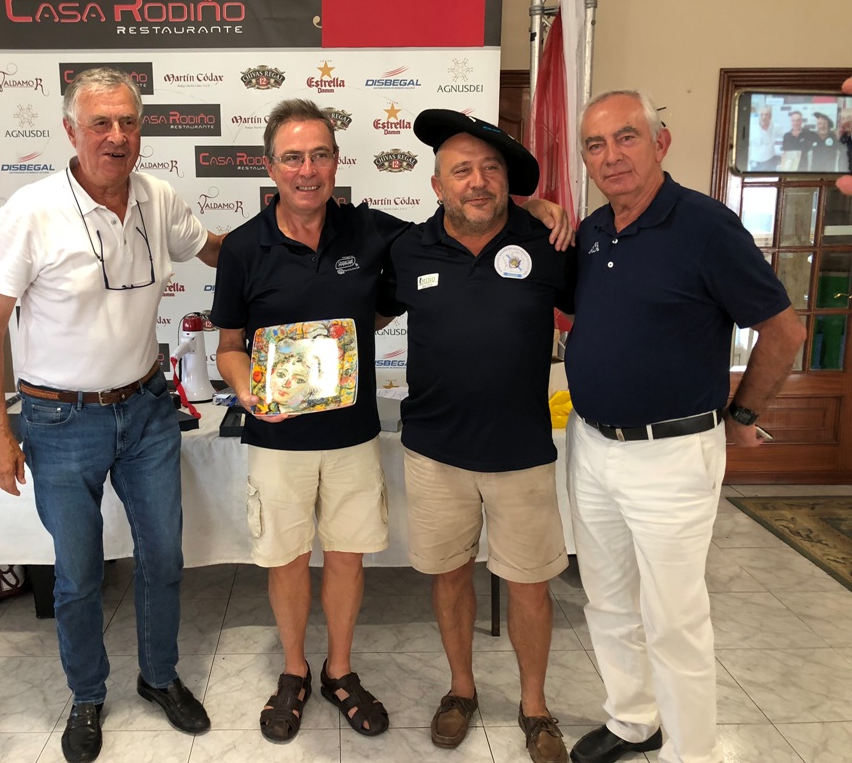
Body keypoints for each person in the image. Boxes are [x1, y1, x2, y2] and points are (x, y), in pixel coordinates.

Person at [211, 98, 572, 745]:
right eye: (292, 157)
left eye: (319, 155)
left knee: (359, 560)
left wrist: (539, 207)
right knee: (297, 561)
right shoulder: (253, 247)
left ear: (336, 162)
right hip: (310, 439)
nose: (306, 169)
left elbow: (458, 237)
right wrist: (252, 392)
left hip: (390, 439)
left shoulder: (383, 233)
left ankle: (350, 673)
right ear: (270, 167)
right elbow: (235, 343)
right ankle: (304, 673)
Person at [0, 68, 221, 763]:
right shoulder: (31, 211)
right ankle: (87, 694)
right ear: (70, 131)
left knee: (163, 556)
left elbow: (218, 250)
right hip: (59, 421)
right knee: (79, 574)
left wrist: (295, 239)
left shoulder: (159, 197)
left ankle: (159, 677)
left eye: (128, 122)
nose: (116, 136)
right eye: (100, 123)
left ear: (142, 129)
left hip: (146, 409)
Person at [566, 90, 805, 763]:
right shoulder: (592, 232)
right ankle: (632, 719)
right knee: (608, 601)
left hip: (670, 457)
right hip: (592, 445)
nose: (611, 156)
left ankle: (691, 752)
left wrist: (744, 415)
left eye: (626, 137)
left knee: (674, 617)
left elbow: (784, 332)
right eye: (595, 145)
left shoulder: (706, 225)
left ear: (660, 142)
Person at [379, 110, 573, 763]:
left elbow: (600, 311)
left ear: (508, 183)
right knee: (449, 577)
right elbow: (357, 311)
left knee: (529, 585)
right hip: (436, 452)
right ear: (437, 186)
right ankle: (461, 690)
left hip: (523, 453)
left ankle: (535, 707)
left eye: (491, 169)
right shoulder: (408, 249)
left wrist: (544, 209)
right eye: (461, 170)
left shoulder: (547, 241)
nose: (478, 181)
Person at [748, 104, 779, 170]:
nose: (764, 117)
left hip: (770, 160)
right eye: (761, 115)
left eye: (766, 114)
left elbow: (786, 134)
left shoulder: (775, 127)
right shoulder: (752, 127)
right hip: (756, 162)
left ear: (770, 116)